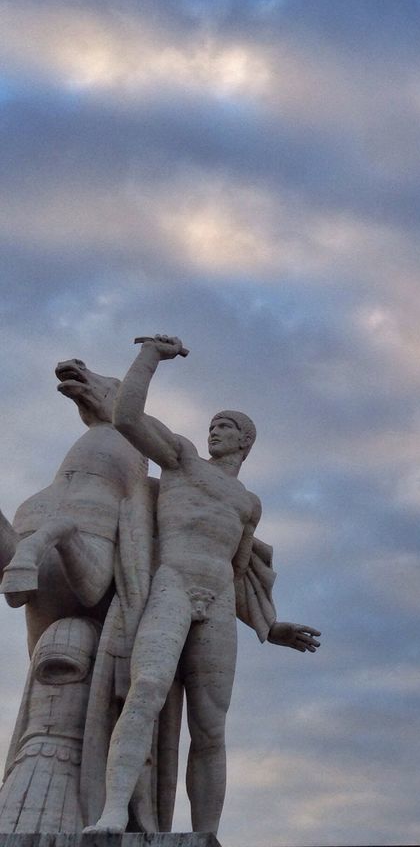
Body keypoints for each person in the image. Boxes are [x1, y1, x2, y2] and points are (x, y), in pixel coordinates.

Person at [85, 335, 320, 835]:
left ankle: (205, 833)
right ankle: (112, 813)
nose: (215, 431)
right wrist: (149, 357)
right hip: (172, 582)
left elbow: (238, 572)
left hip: (216, 599)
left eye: (227, 426)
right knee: (145, 690)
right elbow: (127, 418)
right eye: (213, 424)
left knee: (211, 727)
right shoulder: (183, 461)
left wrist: (268, 625)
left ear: (245, 443)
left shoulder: (248, 503)